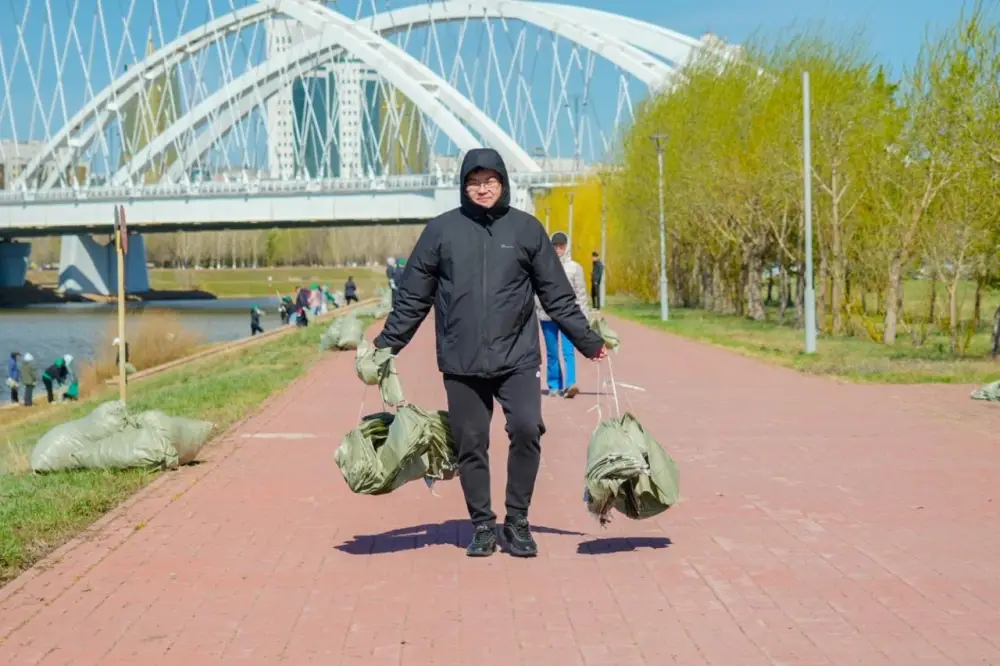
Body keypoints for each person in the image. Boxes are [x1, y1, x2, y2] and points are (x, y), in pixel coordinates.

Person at [372, 147, 607, 559]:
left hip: (517, 357)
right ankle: (482, 524)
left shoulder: (526, 230)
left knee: (528, 429)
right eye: (475, 182)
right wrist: (385, 345)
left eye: (490, 181)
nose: (483, 189)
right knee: (471, 443)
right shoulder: (441, 232)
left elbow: (557, 295)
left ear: (503, 183)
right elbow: (412, 298)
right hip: (461, 361)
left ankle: (517, 522)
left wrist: (588, 341)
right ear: (464, 186)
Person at [536, 232, 590, 398]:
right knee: (552, 352)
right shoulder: (543, 266)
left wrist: (583, 317)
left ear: (567, 247)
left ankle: (570, 384)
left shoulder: (575, 268)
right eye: (555, 246)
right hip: (547, 315)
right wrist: (538, 309)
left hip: (569, 316)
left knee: (568, 351)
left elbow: (581, 294)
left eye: (562, 246)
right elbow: (537, 291)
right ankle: (554, 385)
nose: (558, 249)